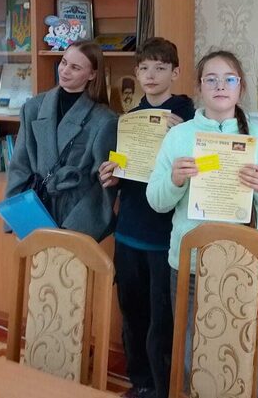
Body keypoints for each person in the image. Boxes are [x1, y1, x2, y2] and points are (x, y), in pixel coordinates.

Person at [146, 49, 258, 397]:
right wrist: (175, 181)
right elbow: (156, 201)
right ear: (199, 87)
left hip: (247, 266)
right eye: (211, 79)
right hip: (191, 266)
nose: (220, 86)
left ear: (240, 87)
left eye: (229, 79)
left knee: (249, 354)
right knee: (191, 354)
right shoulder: (180, 137)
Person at [99, 38, 195, 398]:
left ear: (175, 72)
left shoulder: (189, 119)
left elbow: (200, 174)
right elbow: (123, 170)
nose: (151, 75)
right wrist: (111, 174)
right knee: (132, 312)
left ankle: (163, 387)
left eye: (160, 67)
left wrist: (182, 136)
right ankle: (139, 382)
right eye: (143, 68)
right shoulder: (130, 120)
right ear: (136, 73)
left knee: (163, 319)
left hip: (164, 237)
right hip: (129, 231)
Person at [5, 40, 118, 241]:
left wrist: (75, 228)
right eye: (64, 62)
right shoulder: (33, 107)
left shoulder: (104, 119)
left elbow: (104, 183)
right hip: (34, 208)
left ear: (92, 74)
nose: (65, 71)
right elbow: (19, 166)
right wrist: (15, 215)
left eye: (75, 67)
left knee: (68, 261)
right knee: (35, 261)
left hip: (76, 216)